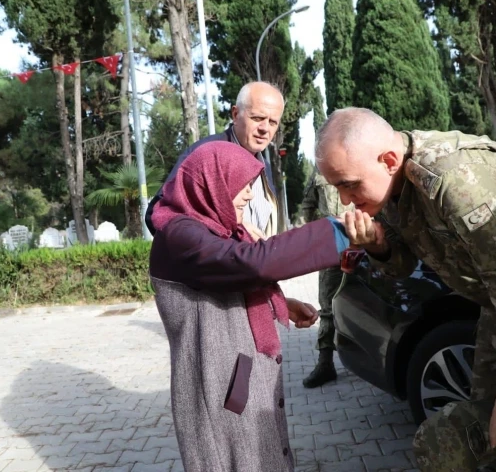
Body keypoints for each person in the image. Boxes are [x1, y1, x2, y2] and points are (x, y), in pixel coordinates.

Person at [313, 107, 496, 472]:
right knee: (489, 411)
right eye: (337, 187)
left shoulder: (458, 181)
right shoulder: (390, 185)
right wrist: (379, 245)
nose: (345, 200)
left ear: (389, 159)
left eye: (348, 184)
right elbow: (406, 264)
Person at [149, 141, 350, 472]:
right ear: (210, 182)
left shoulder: (210, 229)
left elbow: (224, 280)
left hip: (235, 381)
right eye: (240, 186)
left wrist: (281, 304)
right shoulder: (179, 236)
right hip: (219, 392)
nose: (247, 196)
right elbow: (249, 264)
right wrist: (339, 233)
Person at [146, 81, 285, 239]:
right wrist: (233, 228)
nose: (265, 128)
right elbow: (156, 214)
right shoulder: (204, 155)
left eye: (273, 122)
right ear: (235, 114)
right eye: (257, 118)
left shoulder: (265, 167)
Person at [296, 166, 354, 388]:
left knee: (372, 301)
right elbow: (308, 205)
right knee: (328, 306)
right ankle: (325, 363)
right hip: (331, 247)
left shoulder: (362, 160)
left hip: (365, 244)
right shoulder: (320, 171)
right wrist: (308, 241)